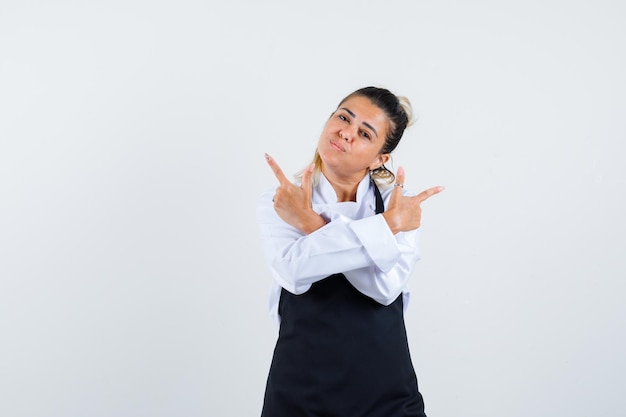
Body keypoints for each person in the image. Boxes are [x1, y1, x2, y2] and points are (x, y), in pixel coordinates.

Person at [257, 86, 444, 416]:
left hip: (388, 398)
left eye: (364, 132)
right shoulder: (283, 201)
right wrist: (384, 229)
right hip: (300, 395)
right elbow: (293, 273)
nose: (346, 132)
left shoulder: (400, 205)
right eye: (343, 117)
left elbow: (384, 289)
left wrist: (312, 226)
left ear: (379, 159)